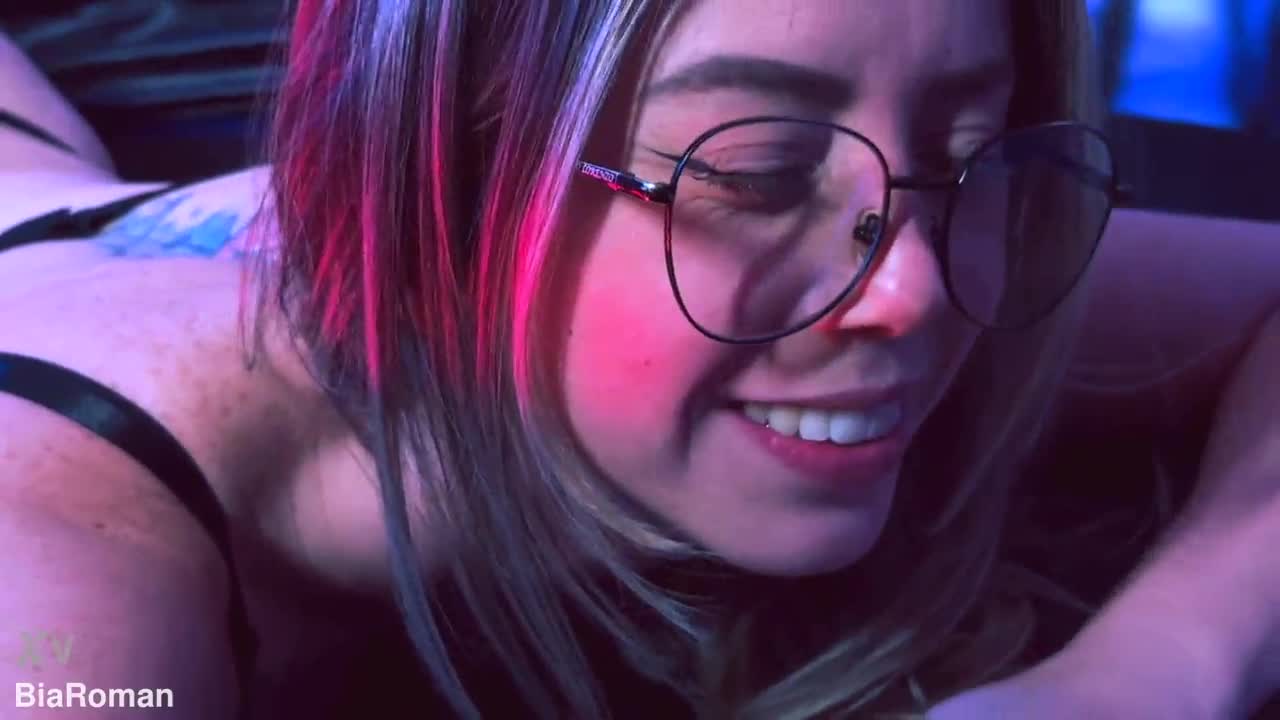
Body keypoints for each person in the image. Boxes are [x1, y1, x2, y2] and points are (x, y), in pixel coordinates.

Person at [0, 2, 1277, 718]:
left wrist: (1152, 666)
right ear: (446, 188)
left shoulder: (891, 212)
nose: (915, 290)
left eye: (964, 154)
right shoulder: (61, 605)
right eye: (756, 174)